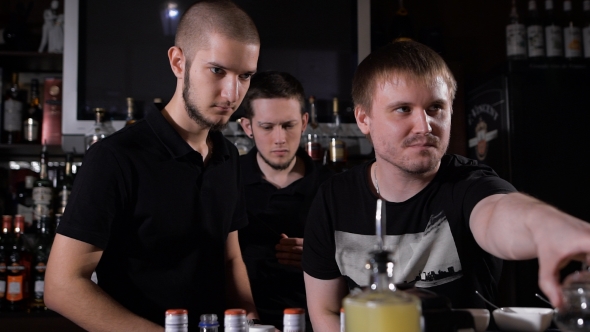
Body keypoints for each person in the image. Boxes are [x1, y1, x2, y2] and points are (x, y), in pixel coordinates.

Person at [302, 40, 590, 331]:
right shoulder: (334, 198)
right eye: (403, 109)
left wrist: (546, 226)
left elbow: (498, 213)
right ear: (364, 119)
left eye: (436, 107)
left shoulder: (468, 184)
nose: (425, 126)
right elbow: (326, 311)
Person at [44, 1, 260, 330]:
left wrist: (250, 319)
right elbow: (61, 287)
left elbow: (229, 258)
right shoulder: (115, 158)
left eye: (244, 76)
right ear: (178, 62)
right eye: (218, 70)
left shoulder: (228, 156)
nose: (232, 92)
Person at [237, 71, 332, 331]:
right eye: (267, 127)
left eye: (288, 125)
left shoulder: (331, 188)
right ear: (248, 127)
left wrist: (323, 256)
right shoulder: (227, 182)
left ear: (303, 122)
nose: (279, 138)